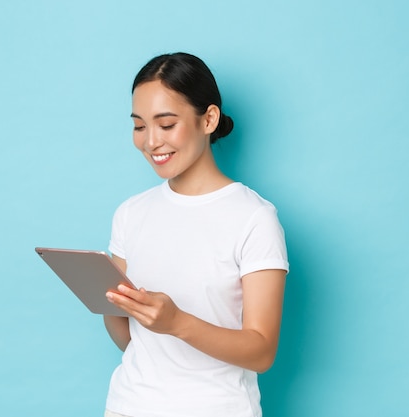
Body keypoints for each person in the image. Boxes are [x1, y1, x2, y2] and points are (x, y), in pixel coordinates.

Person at [103, 52, 289, 417]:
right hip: (129, 407)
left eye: (166, 124)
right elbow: (127, 336)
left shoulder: (254, 218)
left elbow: (262, 351)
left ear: (209, 119)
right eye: (139, 126)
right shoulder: (130, 213)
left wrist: (176, 323)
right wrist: (107, 300)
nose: (151, 141)